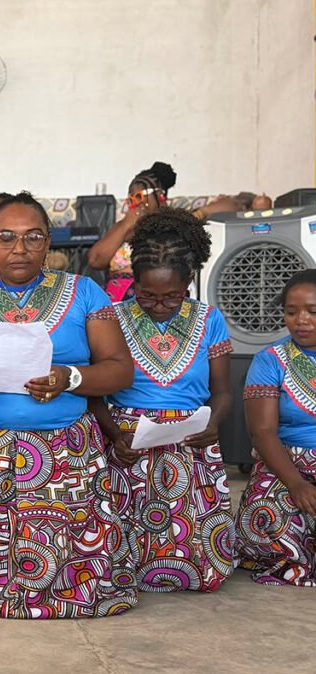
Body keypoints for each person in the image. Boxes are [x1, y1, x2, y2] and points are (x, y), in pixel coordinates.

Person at [0, 192, 137, 618]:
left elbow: (119, 370)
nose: (19, 248)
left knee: (68, 567)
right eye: (6, 237)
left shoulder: (85, 293)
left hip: (64, 451)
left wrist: (69, 378)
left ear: (47, 241)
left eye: (32, 237)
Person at [92, 208, 235, 593]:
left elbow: (222, 391)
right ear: (133, 282)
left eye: (172, 296)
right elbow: (94, 394)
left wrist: (213, 423)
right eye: (147, 295)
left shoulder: (209, 319)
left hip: (191, 441)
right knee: (121, 547)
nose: (159, 305)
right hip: (128, 440)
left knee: (197, 556)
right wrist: (115, 435)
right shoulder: (111, 318)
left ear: (189, 281)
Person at [236, 269, 316, 586]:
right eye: (291, 312)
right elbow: (263, 432)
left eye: (312, 311)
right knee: (266, 514)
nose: (301, 320)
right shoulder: (270, 360)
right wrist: (296, 484)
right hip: (285, 462)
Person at [88, 162, 177, 303]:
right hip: (116, 301)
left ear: (160, 195)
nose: (136, 204)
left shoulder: (170, 226)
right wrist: (126, 224)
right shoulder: (123, 226)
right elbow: (95, 260)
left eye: (140, 197)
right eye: (131, 199)